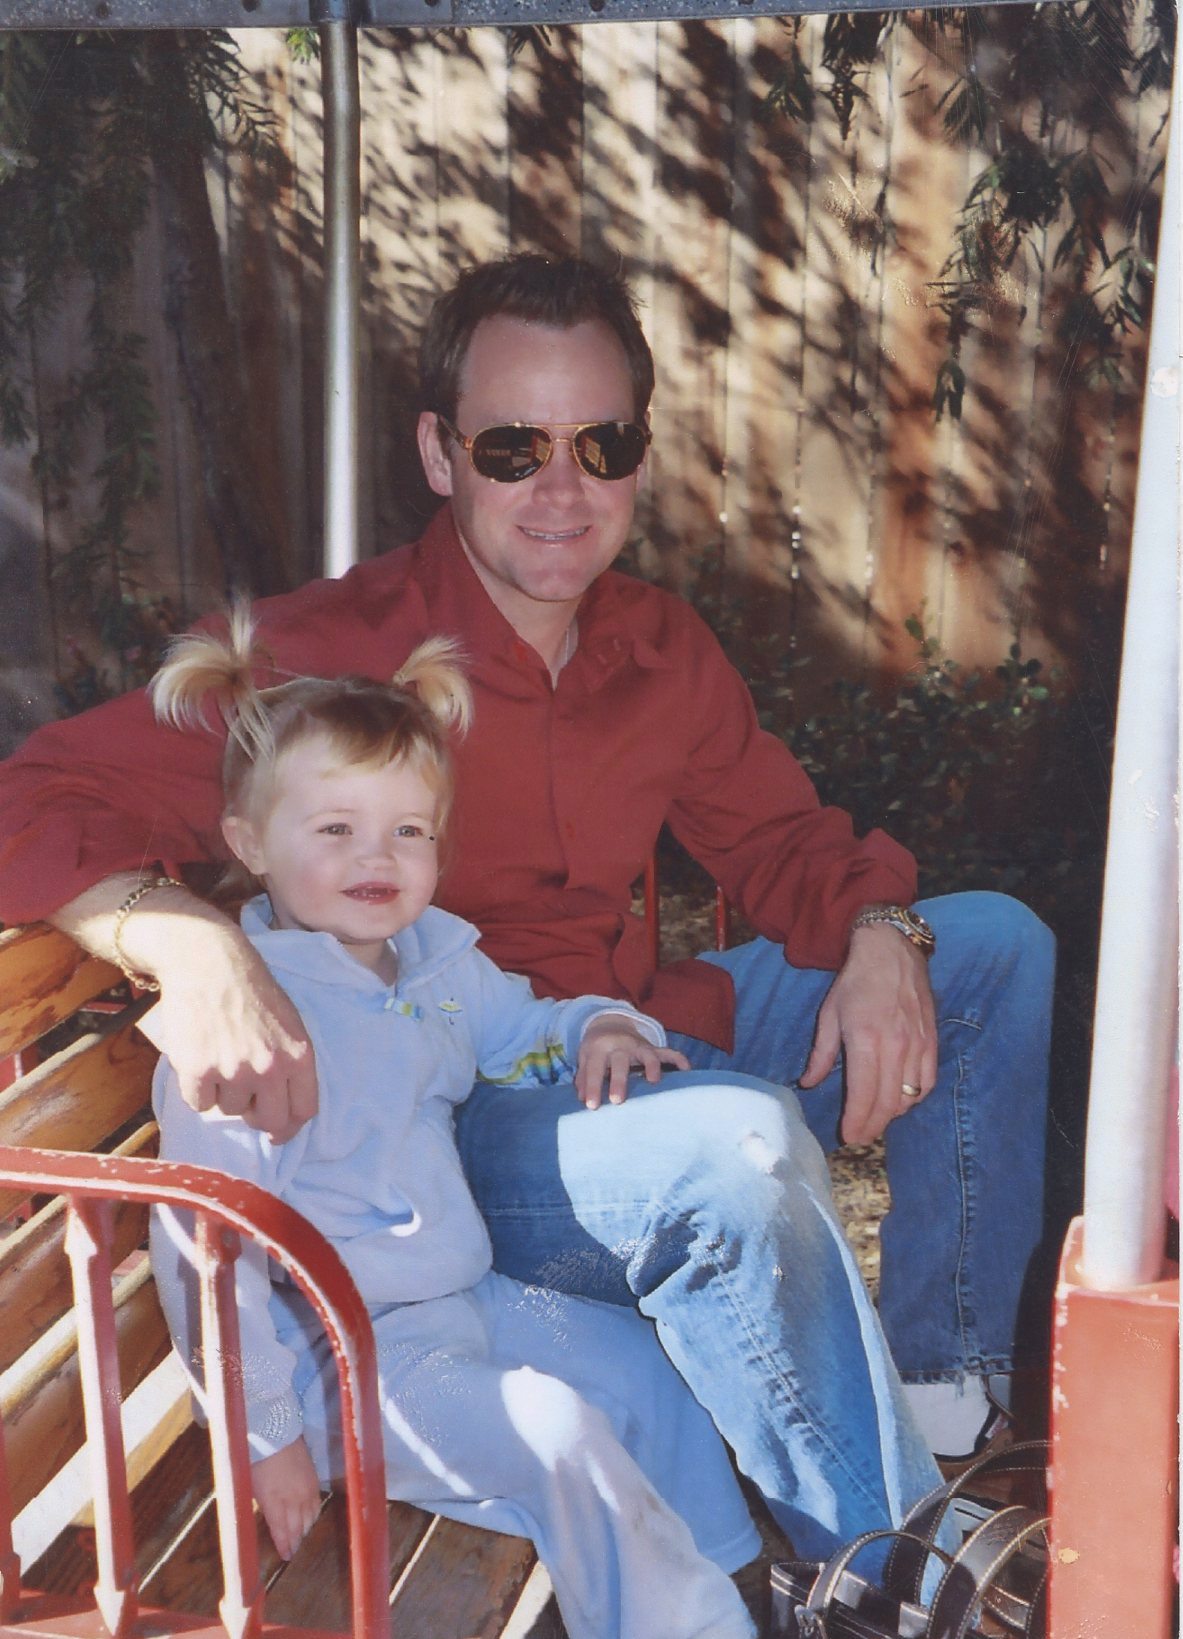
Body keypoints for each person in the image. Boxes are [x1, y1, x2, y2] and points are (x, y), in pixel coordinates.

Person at [0, 253, 1052, 1554]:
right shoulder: (325, 665)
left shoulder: (658, 646)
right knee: (733, 1148)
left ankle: (941, 1398)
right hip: (464, 1117)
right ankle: (879, 1564)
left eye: (600, 443)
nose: (562, 488)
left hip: (627, 1031)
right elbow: (32, 794)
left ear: (637, 457)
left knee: (990, 947)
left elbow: (783, 841)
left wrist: (884, 932)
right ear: (438, 454)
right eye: (513, 447)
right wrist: (192, 942)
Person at [146, 617, 766, 1639]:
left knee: (648, 1370)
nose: (376, 856)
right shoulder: (248, 1026)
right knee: (556, 1428)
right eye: (334, 829)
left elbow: (525, 1026)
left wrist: (602, 1024)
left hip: (461, 1299)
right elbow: (204, 1253)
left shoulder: (434, 965)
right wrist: (265, 1437)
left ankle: (734, 1592)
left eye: (409, 830)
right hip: (339, 1362)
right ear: (250, 843)